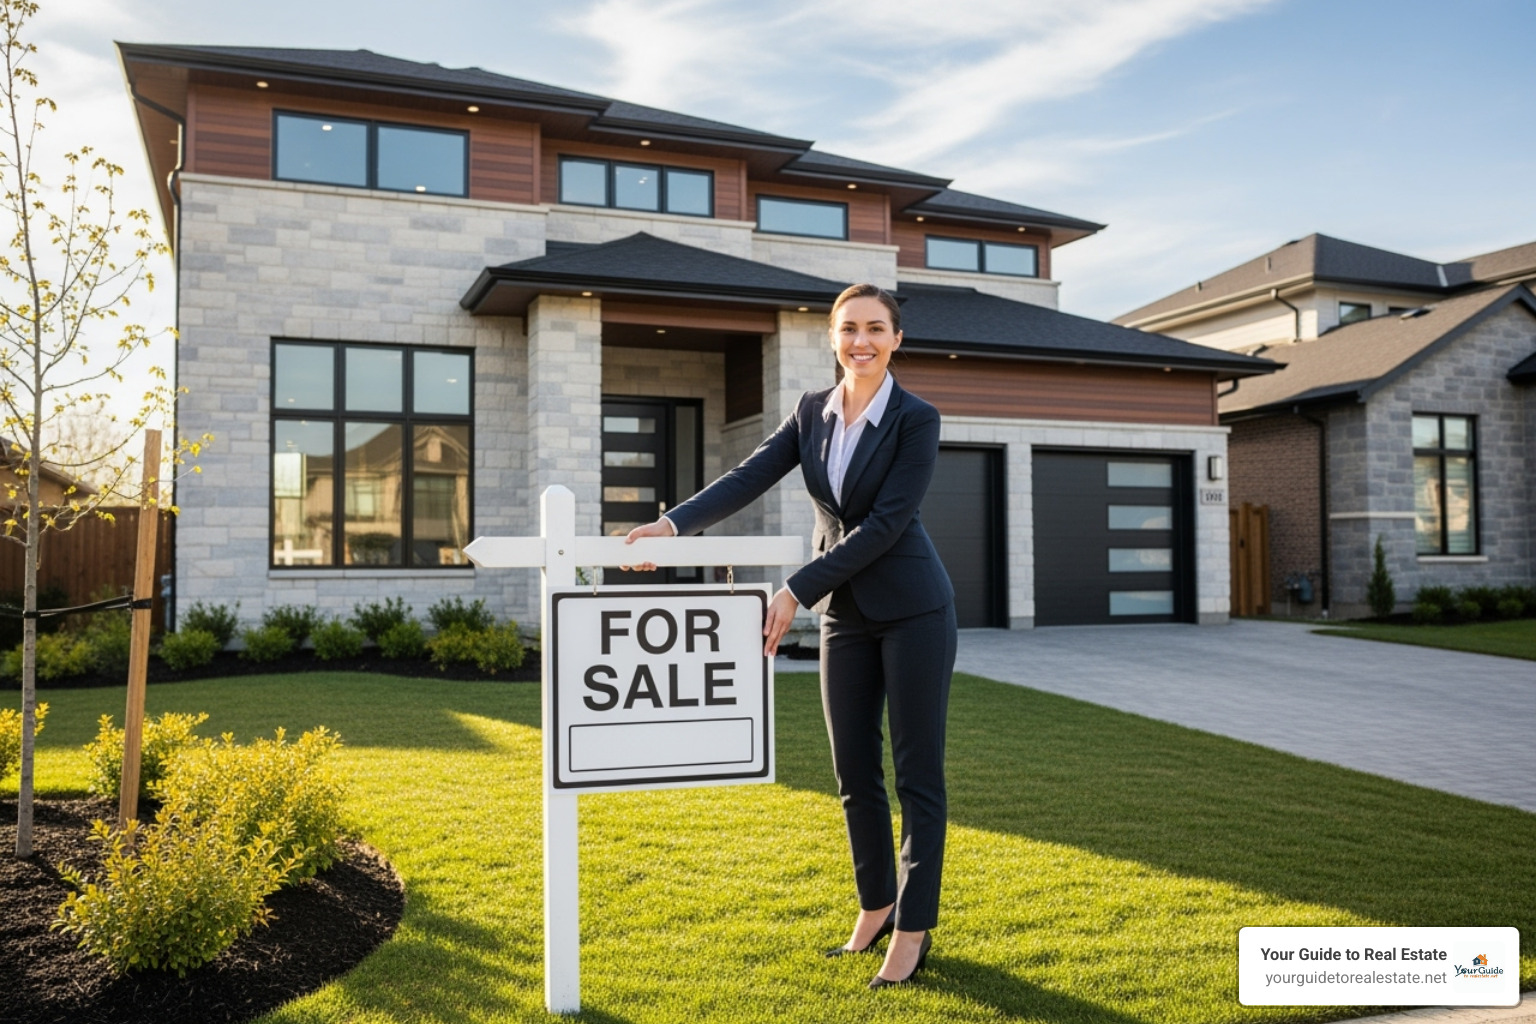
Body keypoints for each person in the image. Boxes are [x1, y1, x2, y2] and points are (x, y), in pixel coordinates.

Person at [623, 282, 957, 989]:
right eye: (849, 328)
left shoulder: (916, 419)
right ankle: (875, 906)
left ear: (896, 339)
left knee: (916, 776)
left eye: (875, 328)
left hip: (914, 611)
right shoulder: (811, 413)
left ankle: (913, 929)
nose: (861, 341)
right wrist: (672, 525)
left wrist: (796, 586)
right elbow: (747, 477)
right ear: (833, 338)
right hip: (845, 615)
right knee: (853, 774)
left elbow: (886, 525)